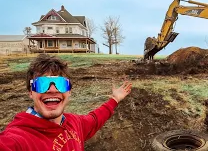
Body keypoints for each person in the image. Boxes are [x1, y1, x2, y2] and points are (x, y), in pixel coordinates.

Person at [0, 54, 132, 151]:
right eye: (42, 84)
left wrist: (115, 99)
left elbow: (95, 119)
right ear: (30, 92)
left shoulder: (74, 123)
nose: (52, 90)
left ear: (69, 91)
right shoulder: (19, 139)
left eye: (60, 84)